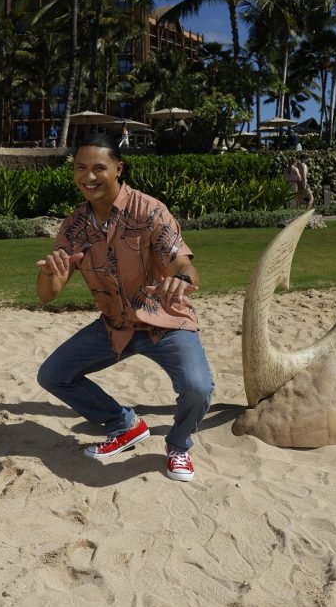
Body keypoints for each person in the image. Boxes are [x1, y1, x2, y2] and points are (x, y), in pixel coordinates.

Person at [36, 134, 213, 482]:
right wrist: (52, 277)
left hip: (164, 321)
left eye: (98, 168)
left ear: (118, 168)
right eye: (80, 168)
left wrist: (182, 279)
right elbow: (47, 295)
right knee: (53, 374)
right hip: (115, 325)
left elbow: (184, 266)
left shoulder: (149, 211)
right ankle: (123, 423)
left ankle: (178, 445)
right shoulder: (74, 226)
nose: (88, 176)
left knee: (197, 387)